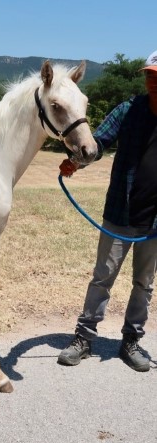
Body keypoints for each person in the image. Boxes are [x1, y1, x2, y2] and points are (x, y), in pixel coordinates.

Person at [57, 50, 157, 372]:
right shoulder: (128, 110)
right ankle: (84, 337)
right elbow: (98, 142)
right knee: (102, 279)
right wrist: (76, 160)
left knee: (144, 284)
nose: (152, 81)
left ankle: (131, 340)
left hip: (155, 224)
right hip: (121, 213)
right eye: (149, 75)